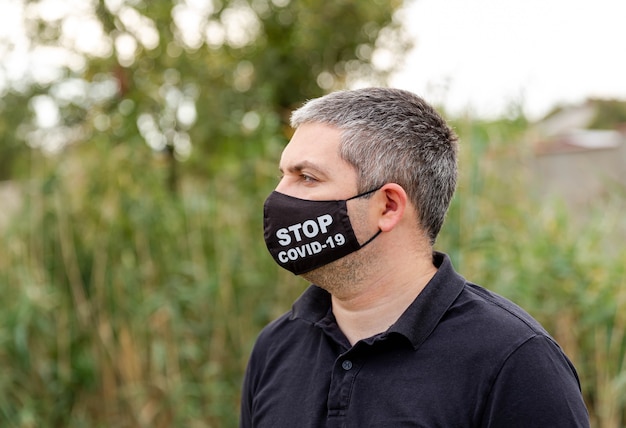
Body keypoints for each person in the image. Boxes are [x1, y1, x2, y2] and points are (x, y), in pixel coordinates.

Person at [240, 87, 589, 427]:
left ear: (388, 206)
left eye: (307, 177)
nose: (278, 196)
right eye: (283, 175)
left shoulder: (514, 361)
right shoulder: (275, 347)